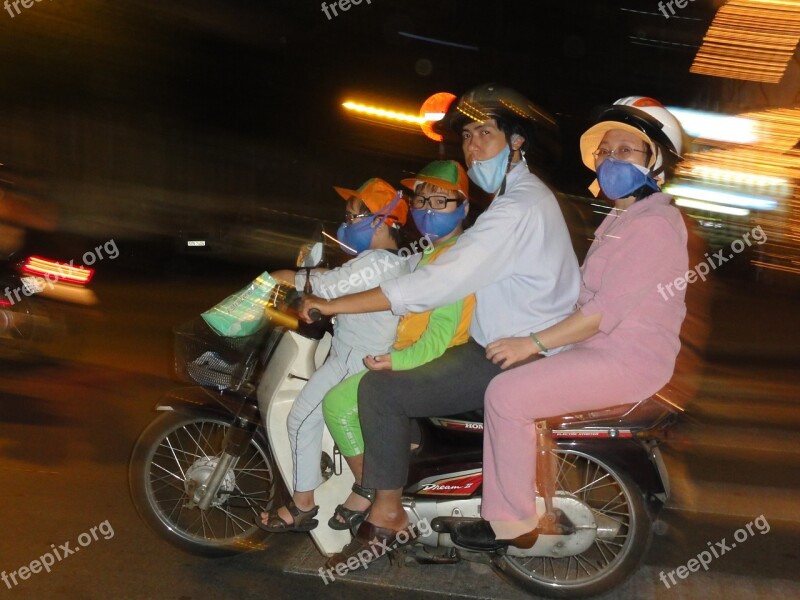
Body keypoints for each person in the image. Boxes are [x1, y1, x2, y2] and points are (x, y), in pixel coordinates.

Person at [300, 84, 581, 567]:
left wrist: (332, 306)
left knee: (380, 391)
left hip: (509, 354)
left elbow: (432, 287)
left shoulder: (517, 209)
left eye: (485, 135)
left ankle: (386, 514)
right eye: (468, 137)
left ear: (517, 142)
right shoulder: (516, 200)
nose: (473, 148)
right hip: (496, 343)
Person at [448, 97, 690, 550]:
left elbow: (601, 314)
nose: (609, 159)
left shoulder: (655, 224)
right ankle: (535, 494)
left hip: (626, 359)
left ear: (655, 161)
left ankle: (511, 523)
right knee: (514, 383)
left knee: (506, 394)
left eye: (625, 151)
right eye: (604, 151)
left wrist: (532, 343)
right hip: (601, 349)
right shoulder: (624, 217)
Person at [322, 160, 475, 531]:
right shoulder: (426, 254)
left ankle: (373, 492)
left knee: (338, 403)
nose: (427, 209)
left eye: (440, 201)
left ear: (464, 208)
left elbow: (440, 336)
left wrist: (397, 360)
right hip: (415, 352)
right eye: (421, 200)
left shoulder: (455, 258)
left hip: (433, 360)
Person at [256, 177, 410, 532]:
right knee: (305, 419)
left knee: (300, 418)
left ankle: (310, 503)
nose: (345, 224)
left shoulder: (379, 263)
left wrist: (286, 277)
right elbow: (340, 275)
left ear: (384, 222)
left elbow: (327, 286)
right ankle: (308, 501)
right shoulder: (377, 261)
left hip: (356, 359)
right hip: (352, 353)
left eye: (354, 216)